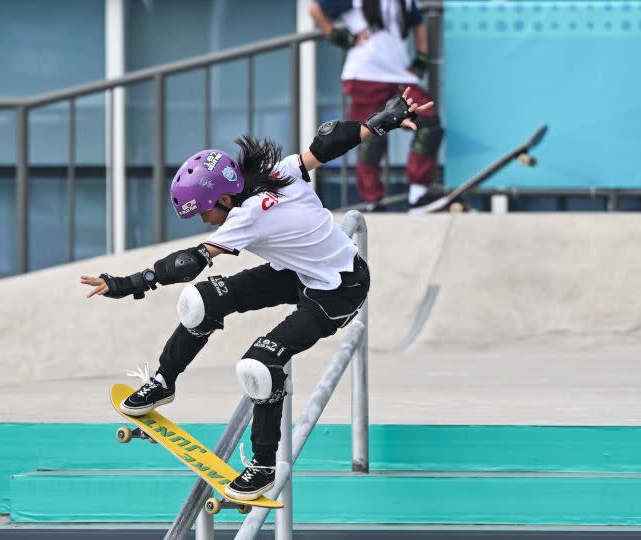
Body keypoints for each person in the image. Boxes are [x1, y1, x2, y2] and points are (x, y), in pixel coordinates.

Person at [81, 88, 431, 500]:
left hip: (339, 289)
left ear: (225, 199)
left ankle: (264, 466)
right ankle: (163, 381)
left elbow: (189, 262)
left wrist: (128, 284)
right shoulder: (282, 172)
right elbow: (327, 144)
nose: (205, 220)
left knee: (260, 364)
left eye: (204, 212)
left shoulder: (243, 219)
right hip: (297, 272)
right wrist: (379, 122)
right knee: (201, 302)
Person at [310, 0, 443, 212]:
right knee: (369, 135)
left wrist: (421, 60)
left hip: (398, 74)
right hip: (365, 75)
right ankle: (374, 201)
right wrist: (341, 37)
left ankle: (418, 194)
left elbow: (418, 24)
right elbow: (316, 9)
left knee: (429, 122)